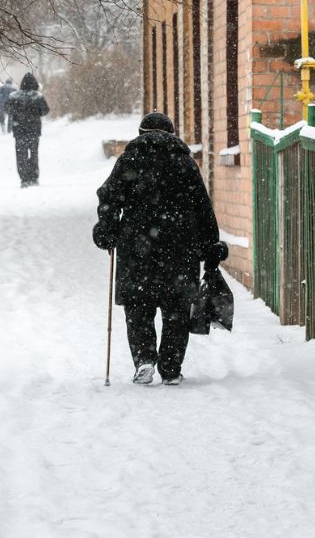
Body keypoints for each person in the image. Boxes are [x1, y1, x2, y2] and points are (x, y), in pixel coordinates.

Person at [92, 111, 227, 386]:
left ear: (140, 133)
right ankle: (171, 367)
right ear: (172, 134)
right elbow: (203, 208)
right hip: (180, 247)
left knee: (138, 306)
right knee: (176, 308)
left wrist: (107, 227)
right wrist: (210, 244)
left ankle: (144, 360)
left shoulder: (129, 159)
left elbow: (109, 196)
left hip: (136, 246)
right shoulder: (185, 163)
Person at [4, 73, 49, 187]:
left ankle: (24, 178)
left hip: (19, 130)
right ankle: (33, 177)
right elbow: (45, 111)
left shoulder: (14, 96)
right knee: (34, 154)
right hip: (34, 130)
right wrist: (35, 112)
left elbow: (7, 109)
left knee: (21, 155)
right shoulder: (38, 96)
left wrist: (17, 113)